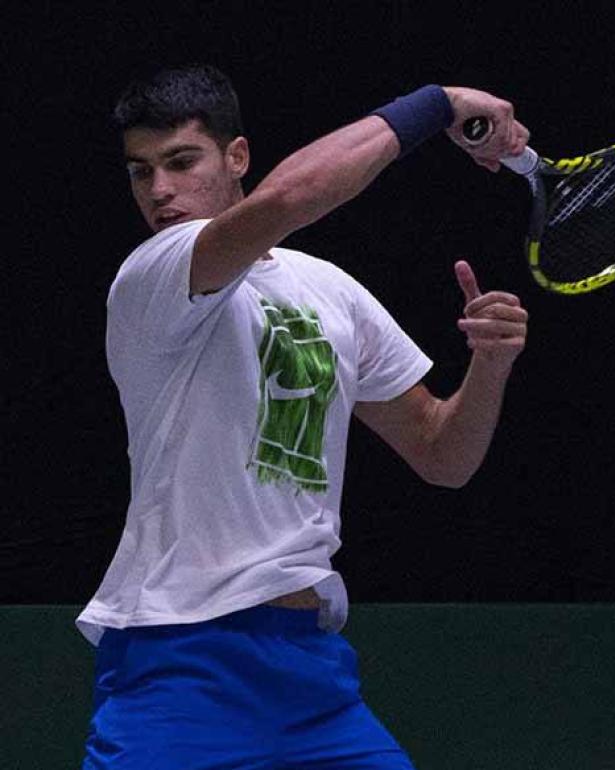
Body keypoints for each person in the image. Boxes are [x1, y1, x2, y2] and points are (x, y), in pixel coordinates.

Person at [77, 64, 530, 769]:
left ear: (237, 157)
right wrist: (437, 106)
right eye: (141, 172)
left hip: (310, 674)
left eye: (181, 162)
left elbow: (444, 456)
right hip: (180, 665)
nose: (160, 191)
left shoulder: (328, 291)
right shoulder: (156, 273)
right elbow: (294, 197)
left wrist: (491, 364)